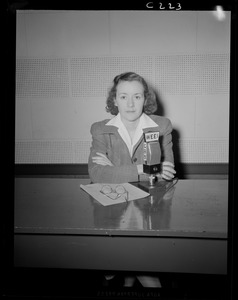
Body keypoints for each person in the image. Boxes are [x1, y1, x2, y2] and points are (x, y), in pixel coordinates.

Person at [88, 72, 176, 184]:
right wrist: (144, 169)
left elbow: (166, 176)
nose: (130, 104)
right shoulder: (100, 130)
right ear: (115, 100)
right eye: (123, 97)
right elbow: (97, 175)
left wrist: (113, 169)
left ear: (145, 100)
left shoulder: (162, 127)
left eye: (137, 97)